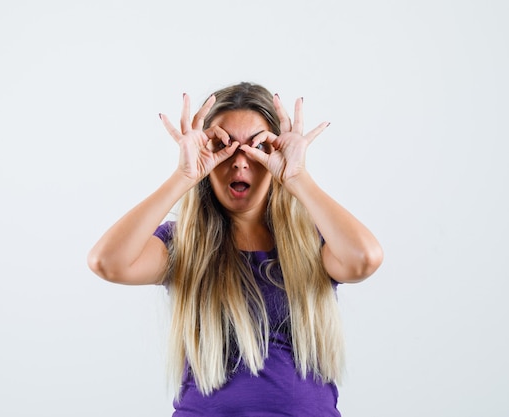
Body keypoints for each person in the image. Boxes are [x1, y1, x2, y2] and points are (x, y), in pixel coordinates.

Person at [87, 82, 383, 416]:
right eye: (223, 146)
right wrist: (184, 176)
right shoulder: (183, 244)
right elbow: (107, 262)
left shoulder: (312, 241)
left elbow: (364, 259)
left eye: (257, 147)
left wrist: (298, 178)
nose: (240, 161)